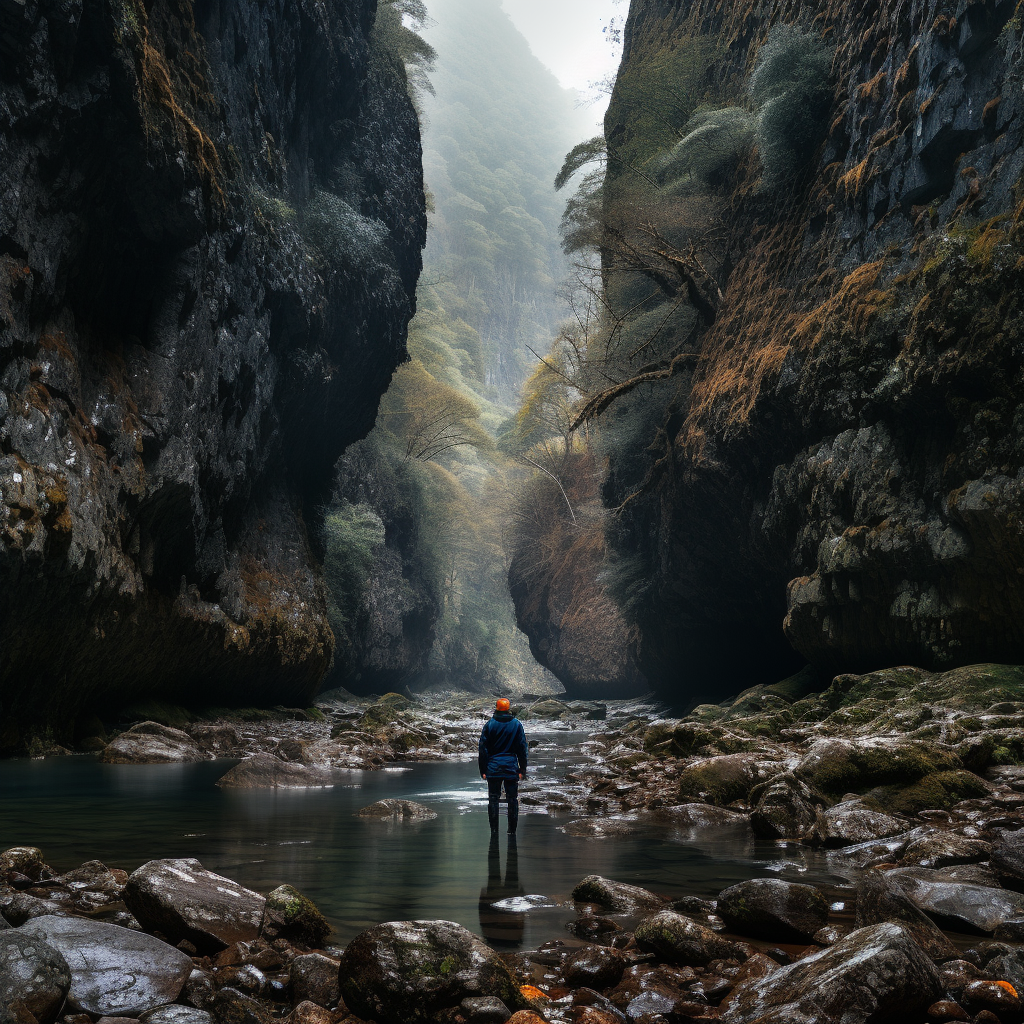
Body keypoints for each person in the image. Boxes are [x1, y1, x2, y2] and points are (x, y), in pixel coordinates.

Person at [478, 697, 528, 834]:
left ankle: (494, 832)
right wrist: (522, 769)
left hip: (493, 768)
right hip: (511, 767)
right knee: (512, 799)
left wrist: (483, 770)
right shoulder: (517, 725)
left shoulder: (489, 725)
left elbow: (483, 750)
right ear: (508, 709)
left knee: (493, 799)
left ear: (496, 708)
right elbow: (522, 748)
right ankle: (512, 832)